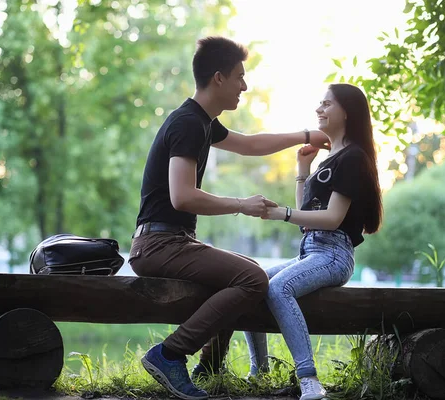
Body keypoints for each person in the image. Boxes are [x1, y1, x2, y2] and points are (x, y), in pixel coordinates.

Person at [130, 36, 331, 400]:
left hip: (171, 241)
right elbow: (182, 196)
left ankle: (209, 367)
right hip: (158, 244)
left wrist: (305, 134)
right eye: (240, 76)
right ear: (218, 78)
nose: (245, 85)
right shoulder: (188, 123)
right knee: (253, 278)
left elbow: (251, 144)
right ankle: (170, 354)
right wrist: (242, 203)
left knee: (243, 270)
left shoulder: (204, 122)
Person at [243, 83, 383, 400]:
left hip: (334, 255)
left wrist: (282, 213)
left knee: (278, 287)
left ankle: (309, 379)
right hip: (310, 253)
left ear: (347, 111)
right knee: (249, 282)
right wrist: (302, 171)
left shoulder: (354, 158)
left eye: (326, 104)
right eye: (319, 104)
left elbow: (332, 219)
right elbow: (306, 218)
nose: (319, 109)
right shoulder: (331, 159)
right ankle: (259, 370)